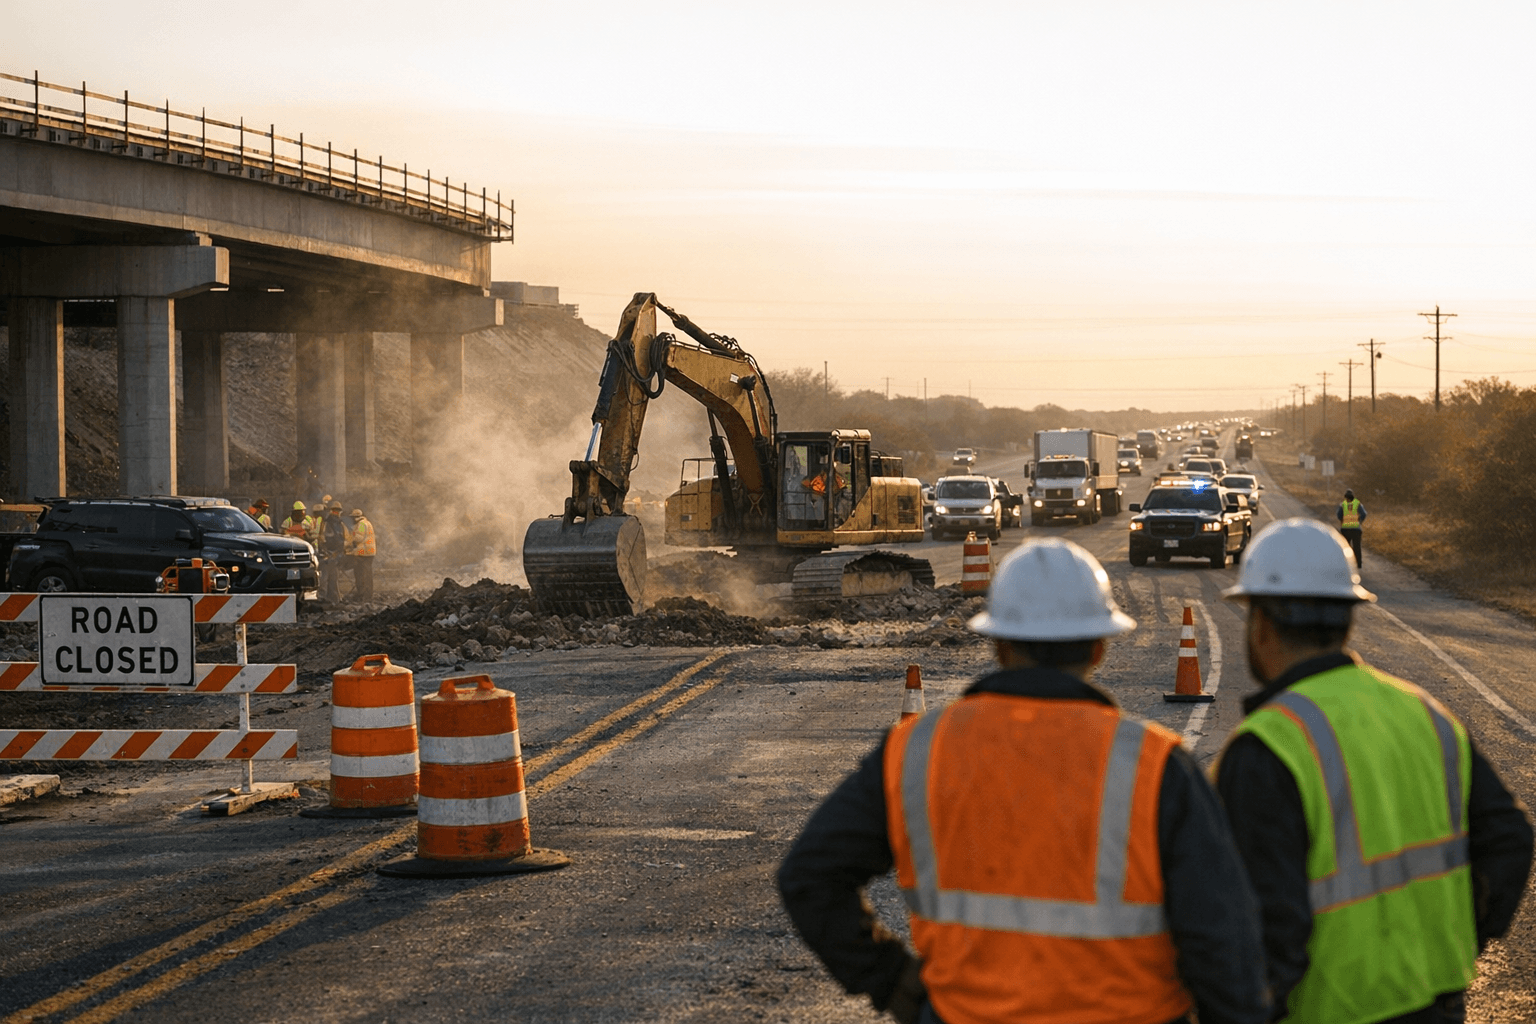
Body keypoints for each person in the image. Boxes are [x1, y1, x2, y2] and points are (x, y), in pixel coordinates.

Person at [778, 537, 1270, 1024]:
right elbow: (1223, 943)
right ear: (1099, 648)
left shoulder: (917, 751)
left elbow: (810, 876)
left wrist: (892, 982)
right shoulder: (1157, 764)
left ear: (998, 644)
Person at [1215, 518, 1533, 1024]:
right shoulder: (1427, 714)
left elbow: (1266, 929)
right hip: (1437, 1004)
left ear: (1263, 626)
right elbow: (1511, 838)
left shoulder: (1267, 747)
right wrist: (1457, 944)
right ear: (1349, 620)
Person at [318, 501, 348, 603]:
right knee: (328, 577)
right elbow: (322, 538)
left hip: (331, 555)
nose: (336, 513)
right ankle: (327, 599)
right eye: (336, 511)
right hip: (331, 555)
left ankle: (330, 599)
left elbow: (321, 538)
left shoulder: (329, 523)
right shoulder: (336, 524)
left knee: (330, 577)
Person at [347, 508, 376, 602]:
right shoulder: (367, 522)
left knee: (360, 574)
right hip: (370, 552)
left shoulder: (361, 524)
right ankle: (368, 595)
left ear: (355, 517)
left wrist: (349, 543)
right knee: (367, 574)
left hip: (363, 553)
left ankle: (362, 595)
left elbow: (358, 538)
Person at [1336, 488, 1367, 568]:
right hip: (1356, 529)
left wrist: (1343, 520)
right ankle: (1359, 564)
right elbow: (1364, 514)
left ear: (1345, 497)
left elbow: (1339, 515)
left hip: (1345, 529)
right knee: (1357, 547)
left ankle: (1347, 564)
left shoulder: (1342, 504)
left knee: (1346, 547)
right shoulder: (1358, 504)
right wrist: (1359, 521)